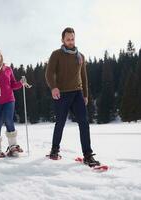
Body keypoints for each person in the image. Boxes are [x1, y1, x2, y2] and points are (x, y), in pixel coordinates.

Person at [45, 27, 100, 166]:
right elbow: (49, 73)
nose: (71, 41)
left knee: (84, 122)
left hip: (77, 93)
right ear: (63, 40)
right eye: (68, 39)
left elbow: (84, 76)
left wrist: (85, 95)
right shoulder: (56, 54)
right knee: (60, 122)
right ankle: (54, 150)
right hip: (62, 94)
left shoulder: (80, 56)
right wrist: (54, 87)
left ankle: (87, 155)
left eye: (72, 38)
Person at [0, 46, 28, 158]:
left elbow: (12, 84)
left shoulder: (7, 69)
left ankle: (13, 147)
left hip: (9, 99)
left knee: (9, 120)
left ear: (1, 57)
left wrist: (20, 83)